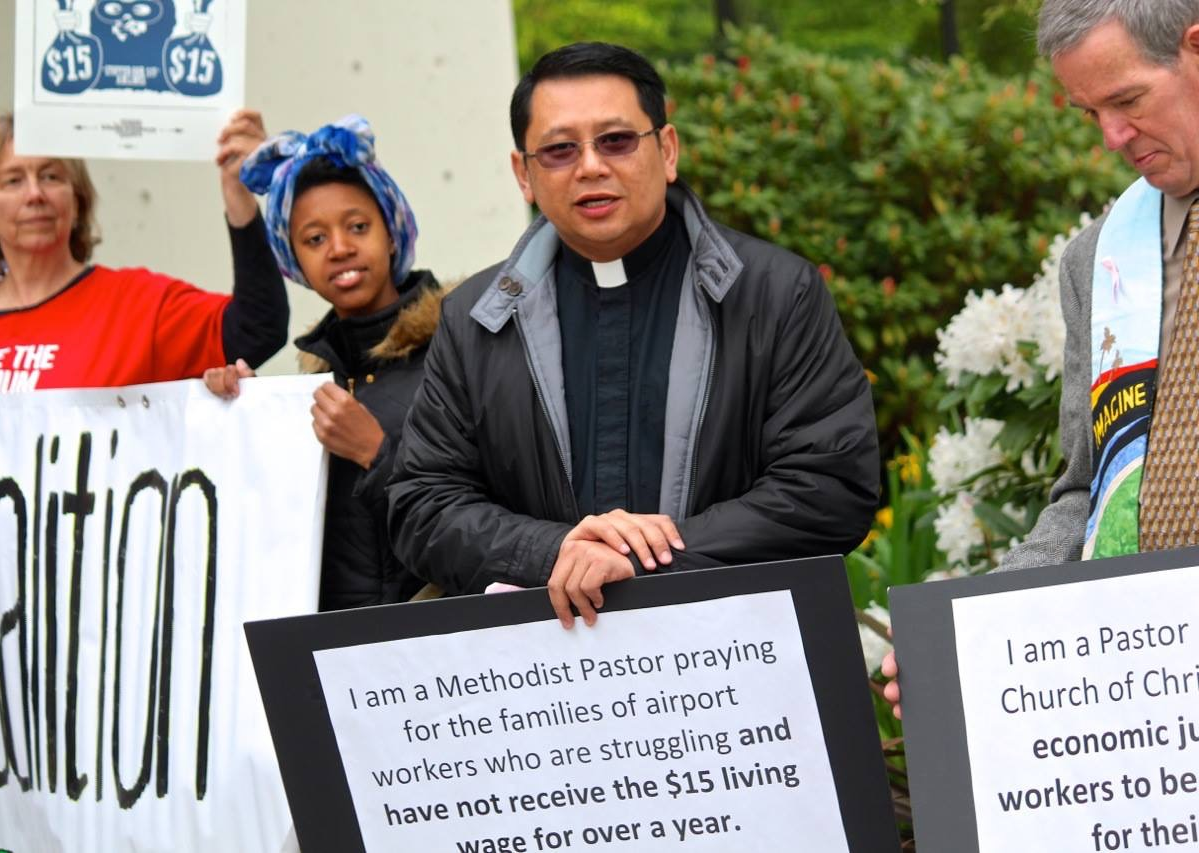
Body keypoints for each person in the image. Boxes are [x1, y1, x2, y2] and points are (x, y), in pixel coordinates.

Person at [387, 42, 880, 628]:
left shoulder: (775, 293)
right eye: (560, 149)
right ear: (525, 174)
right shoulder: (476, 319)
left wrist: (641, 560)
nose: (591, 166)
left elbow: (828, 488)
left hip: (735, 650)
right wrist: (554, 552)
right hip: (545, 671)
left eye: (616, 141)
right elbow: (423, 503)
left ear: (667, 151)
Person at [883, 0, 1199, 715]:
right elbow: (1086, 490)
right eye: (1091, 113)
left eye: (1127, 100)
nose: (1114, 137)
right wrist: (976, 626)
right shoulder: (1099, 258)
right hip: (1149, 682)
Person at [205, 115, 443, 610]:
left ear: (393, 232)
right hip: (334, 657)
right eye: (314, 239)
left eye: (358, 226)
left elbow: (485, 513)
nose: (339, 248)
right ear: (294, 263)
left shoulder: (457, 349)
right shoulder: (314, 383)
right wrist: (243, 414)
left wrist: (376, 454)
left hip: (432, 658)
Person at [0, 110, 288, 396]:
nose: (35, 195)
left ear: (77, 200)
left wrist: (238, 194)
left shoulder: (136, 304)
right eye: (13, 180)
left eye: (51, 176)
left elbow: (257, 328)